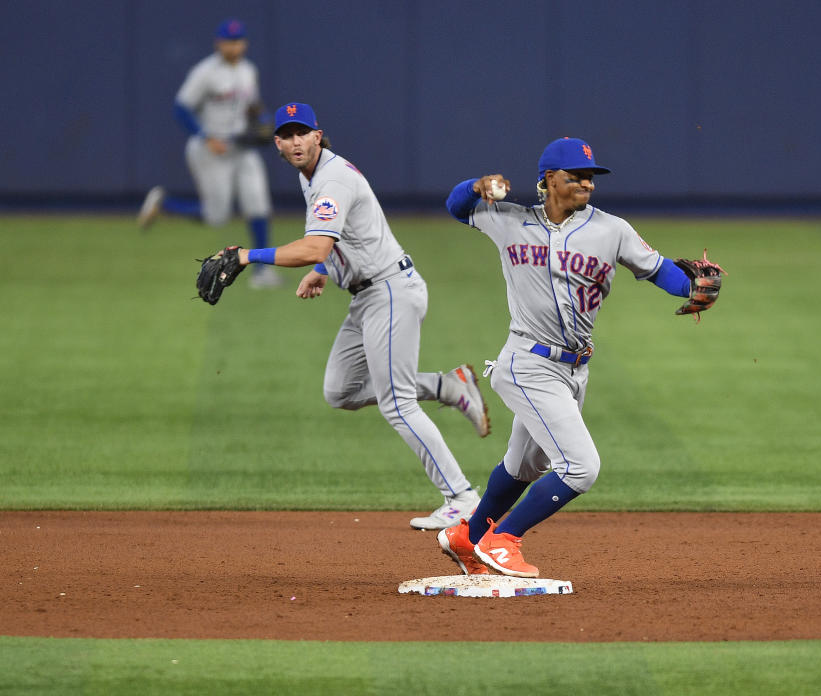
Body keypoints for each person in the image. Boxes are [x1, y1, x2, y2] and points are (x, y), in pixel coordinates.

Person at [437, 137, 724, 576]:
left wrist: (692, 287)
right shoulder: (509, 220)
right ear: (549, 180)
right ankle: (503, 539)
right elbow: (456, 207)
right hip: (527, 363)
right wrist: (476, 185)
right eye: (576, 177)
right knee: (580, 468)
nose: (587, 185)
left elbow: (658, 268)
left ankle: (469, 537)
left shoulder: (612, 229)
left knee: (524, 466)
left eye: (591, 177)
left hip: (573, 371)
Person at [201, 101, 491, 530]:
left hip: (390, 292)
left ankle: (462, 497)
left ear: (318, 136)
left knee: (397, 404)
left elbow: (315, 245)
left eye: (304, 133)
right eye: (287, 135)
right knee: (340, 390)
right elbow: (343, 238)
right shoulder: (315, 176)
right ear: (277, 144)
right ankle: (449, 385)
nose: (296, 141)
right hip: (369, 295)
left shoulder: (331, 178)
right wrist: (323, 271)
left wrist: (245, 255)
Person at [138, 18, 281, 289]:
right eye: (229, 41)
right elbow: (181, 108)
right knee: (217, 216)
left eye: (238, 41)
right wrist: (205, 136)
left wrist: (263, 119)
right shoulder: (205, 72)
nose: (234, 47)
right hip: (210, 149)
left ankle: (262, 273)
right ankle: (164, 204)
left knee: (259, 204)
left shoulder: (249, 70)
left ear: (245, 43)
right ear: (219, 43)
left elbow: (253, 108)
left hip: (242, 146)